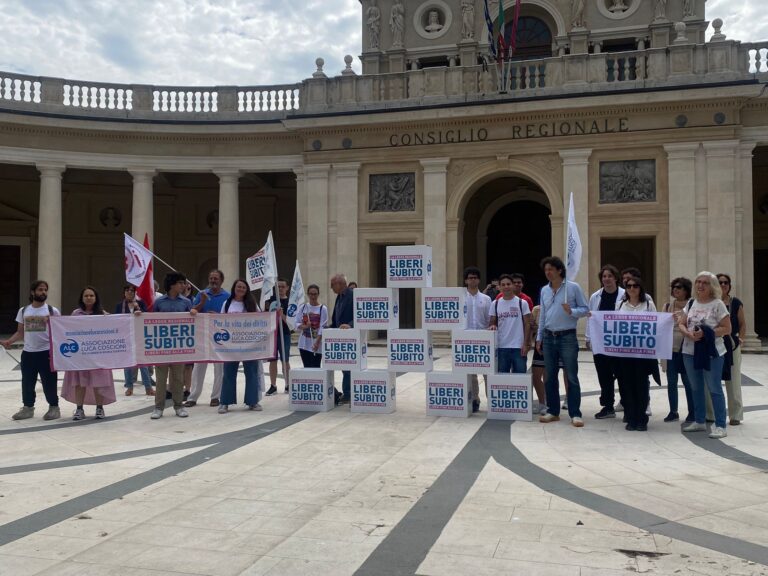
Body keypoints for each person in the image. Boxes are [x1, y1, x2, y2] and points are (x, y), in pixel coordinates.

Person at [536, 257, 589, 427]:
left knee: (571, 375)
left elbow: (585, 309)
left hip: (567, 336)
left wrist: (571, 311)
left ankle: (575, 413)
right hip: (549, 336)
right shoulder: (544, 290)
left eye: (551, 269)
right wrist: (539, 337)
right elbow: (543, 315)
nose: (548, 273)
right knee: (550, 376)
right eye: (545, 270)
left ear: (559, 270)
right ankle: (553, 410)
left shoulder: (572, 288)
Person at [679, 271, 731, 439]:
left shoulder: (718, 304)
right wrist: (687, 333)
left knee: (714, 388)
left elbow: (727, 328)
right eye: (698, 282)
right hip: (689, 351)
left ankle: (721, 424)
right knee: (695, 387)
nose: (700, 285)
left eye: (705, 283)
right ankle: (699, 420)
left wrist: (706, 333)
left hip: (712, 352)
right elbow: (681, 322)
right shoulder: (691, 303)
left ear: (712, 286)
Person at [2, 280, 61, 421]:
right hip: (28, 353)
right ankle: (28, 408)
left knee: (49, 382)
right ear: (33, 292)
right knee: (27, 382)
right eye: (40, 289)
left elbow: (59, 332)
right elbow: (20, 332)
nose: (43, 292)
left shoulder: (53, 311)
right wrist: (9, 341)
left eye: (45, 290)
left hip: (46, 353)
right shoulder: (23, 310)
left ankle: (54, 407)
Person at [144, 272, 197, 419]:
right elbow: (150, 322)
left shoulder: (186, 302)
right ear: (172, 284)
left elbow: (192, 323)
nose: (184, 286)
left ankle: (178, 406)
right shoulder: (159, 302)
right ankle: (158, 407)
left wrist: (193, 313)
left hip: (179, 347)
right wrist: (139, 315)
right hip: (162, 347)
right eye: (181, 283)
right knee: (161, 379)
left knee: (178, 378)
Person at [62, 287, 117, 420]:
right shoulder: (76, 314)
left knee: (99, 382)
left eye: (91, 295)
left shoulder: (102, 314)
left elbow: (114, 327)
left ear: (96, 297)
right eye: (86, 295)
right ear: (82, 298)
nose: (89, 298)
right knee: (79, 383)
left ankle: (100, 408)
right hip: (80, 356)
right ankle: (79, 409)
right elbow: (67, 330)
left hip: (98, 356)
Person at [614, 276, 657, 431]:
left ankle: (641, 418)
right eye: (629, 286)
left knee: (641, 385)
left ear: (640, 288)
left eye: (635, 286)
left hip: (643, 353)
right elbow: (613, 324)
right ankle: (631, 418)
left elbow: (656, 324)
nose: (632, 288)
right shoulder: (620, 305)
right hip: (625, 353)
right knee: (627, 385)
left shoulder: (648, 304)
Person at [185, 270, 229, 408]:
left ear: (221, 280)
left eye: (216, 278)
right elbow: (193, 311)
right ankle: (193, 397)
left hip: (219, 336)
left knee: (219, 367)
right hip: (202, 336)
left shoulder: (227, 296)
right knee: (198, 367)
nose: (213, 280)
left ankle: (216, 397)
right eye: (211, 278)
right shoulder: (201, 294)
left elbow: (230, 317)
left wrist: (217, 316)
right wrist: (202, 302)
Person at [219, 279, 263, 413]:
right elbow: (220, 321)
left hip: (249, 344)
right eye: (239, 286)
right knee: (228, 373)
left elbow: (262, 320)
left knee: (251, 373)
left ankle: (252, 402)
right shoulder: (227, 304)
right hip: (231, 345)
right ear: (234, 288)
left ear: (247, 290)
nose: (241, 289)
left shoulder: (252, 304)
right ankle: (225, 402)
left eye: (244, 287)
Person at [586, 265, 624, 419]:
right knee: (604, 376)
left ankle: (627, 404)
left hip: (619, 343)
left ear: (615, 278)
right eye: (604, 276)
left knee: (622, 375)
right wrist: (588, 338)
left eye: (609, 276)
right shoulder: (595, 296)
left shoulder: (624, 295)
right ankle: (608, 406)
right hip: (601, 343)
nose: (606, 279)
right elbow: (591, 318)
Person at [713, 274, 745, 426]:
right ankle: (710, 413)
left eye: (726, 282)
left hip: (731, 345)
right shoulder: (711, 302)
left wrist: (741, 339)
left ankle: (735, 415)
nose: (723, 285)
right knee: (712, 381)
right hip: (713, 345)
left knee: (733, 381)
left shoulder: (735, 302)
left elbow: (742, 323)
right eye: (720, 282)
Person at [661, 277, 693, 423]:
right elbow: (660, 326)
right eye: (674, 287)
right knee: (671, 382)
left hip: (686, 349)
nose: (675, 289)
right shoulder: (667, 306)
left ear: (686, 290)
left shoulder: (692, 306)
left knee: (688, 381)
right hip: (670, 350)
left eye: (679, 287)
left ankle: (692, 411)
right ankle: (673, 411)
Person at [115, 284, 154, 396]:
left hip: (139, 336)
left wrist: (138, 308)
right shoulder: (119, 305)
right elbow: (116, 320)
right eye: (127, 290)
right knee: (127, 363)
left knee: (143, 362)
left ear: (135, 292)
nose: (130, 292)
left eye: (132, 290)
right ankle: (129, 387)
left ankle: (148, 387)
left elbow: (146, 317)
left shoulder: (141, 303)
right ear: (124, 293)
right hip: (125, 336)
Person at [489, 274, 531, 374]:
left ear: (513, 285)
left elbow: (527, 324)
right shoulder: (495, 303)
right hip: (501, 347)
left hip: (519, 347)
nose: (506, 286)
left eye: (508, 284)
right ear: (499, 287)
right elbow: (492, 322)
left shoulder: (522, 303)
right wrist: (493, 326)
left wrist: (525, 344)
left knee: (520, 378)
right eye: (503, 284)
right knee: (503, 379)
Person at [464, 266, 492, 413]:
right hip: (467, 339)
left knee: (487, 372)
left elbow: (490, 319)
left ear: (479, 280)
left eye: (475, 277)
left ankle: (491, 400)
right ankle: (475, 399)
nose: (472, 280)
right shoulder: (461, 298)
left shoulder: (486, 299)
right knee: (471, 373)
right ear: (466, 280)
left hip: (484, 338)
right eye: (470, 277)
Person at [329, 273, 354, 403]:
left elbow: (360, 315)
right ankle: (347, 394)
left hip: (351, 337)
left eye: (332, 285)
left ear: (340, 284)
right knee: (344, 368)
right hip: (340, 337)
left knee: (349, 368)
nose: (331, 287)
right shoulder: (339, 297)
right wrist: (328, 328)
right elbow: (336, 318)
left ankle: (349, 394)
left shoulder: (352, 296)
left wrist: (350, 325)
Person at [265, 278, 292, 396]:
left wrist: (282, 315)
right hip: (272, 334)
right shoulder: (271, 301)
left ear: (287, 288)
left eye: (282, 286)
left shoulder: (290, 303)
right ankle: (273, 385)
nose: (280, 289)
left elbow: (292, 324)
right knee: (272, 360)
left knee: (285, 360)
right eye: (278, 287)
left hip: (285, 334)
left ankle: (288, 384)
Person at [297, 284, 327, 368]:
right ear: (308, 294)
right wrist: (305, 326)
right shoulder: (303, 307)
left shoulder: (322, 308)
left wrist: (317, 342)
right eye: (311, 294)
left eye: (315, 294)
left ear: (318, 294)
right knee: (306, 367)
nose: (313, 296)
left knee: (315, 367)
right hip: (304, 344)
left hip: (316, 344)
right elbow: (296, 323)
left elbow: (323, 326)